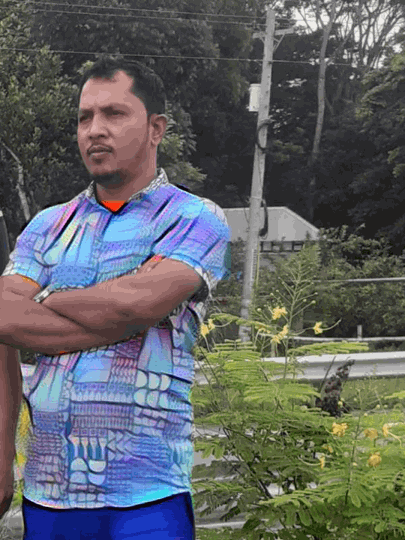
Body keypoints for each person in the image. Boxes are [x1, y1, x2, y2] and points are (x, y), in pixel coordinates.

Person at [0, 56, 230, 540]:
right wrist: (118, 313)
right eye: (85, 117)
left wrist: (45, 299)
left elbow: (136, 304)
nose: (94, 130)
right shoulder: (47, 226)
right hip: (49, 493)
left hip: (147, 495)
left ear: (156, 128)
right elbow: (4, 318)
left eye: (114, 113)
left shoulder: (192, 217)